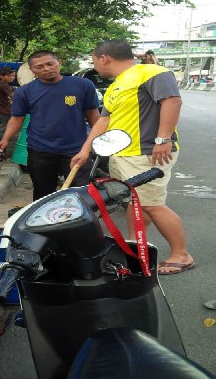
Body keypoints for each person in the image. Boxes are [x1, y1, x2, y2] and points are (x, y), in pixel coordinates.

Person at [71, 40, 194, 275]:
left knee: (152, 204)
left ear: (104, 58)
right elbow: (104, 121)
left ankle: (181, 254)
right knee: (134, 202)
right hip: (123, 155)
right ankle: (135, 245)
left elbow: (172, 101)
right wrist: (86, 149)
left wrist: (163, 139)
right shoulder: (117, 84)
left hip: (147, 152)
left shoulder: (151, 72)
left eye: (94, 60)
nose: (95, 65)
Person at [0, 50, 100, 200]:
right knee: (43, 194)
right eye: (39, 67)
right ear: (31, 70)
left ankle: (76, 223)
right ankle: (44, 222)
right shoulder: (24, 92)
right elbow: (17, 118)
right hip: (40, 150)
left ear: (59, 62)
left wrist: (100, 141)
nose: (46, 68)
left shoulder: (82, 85)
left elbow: (94, 116)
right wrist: (5, 139)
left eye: (50, 64)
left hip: (76, 150)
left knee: (81, 195)